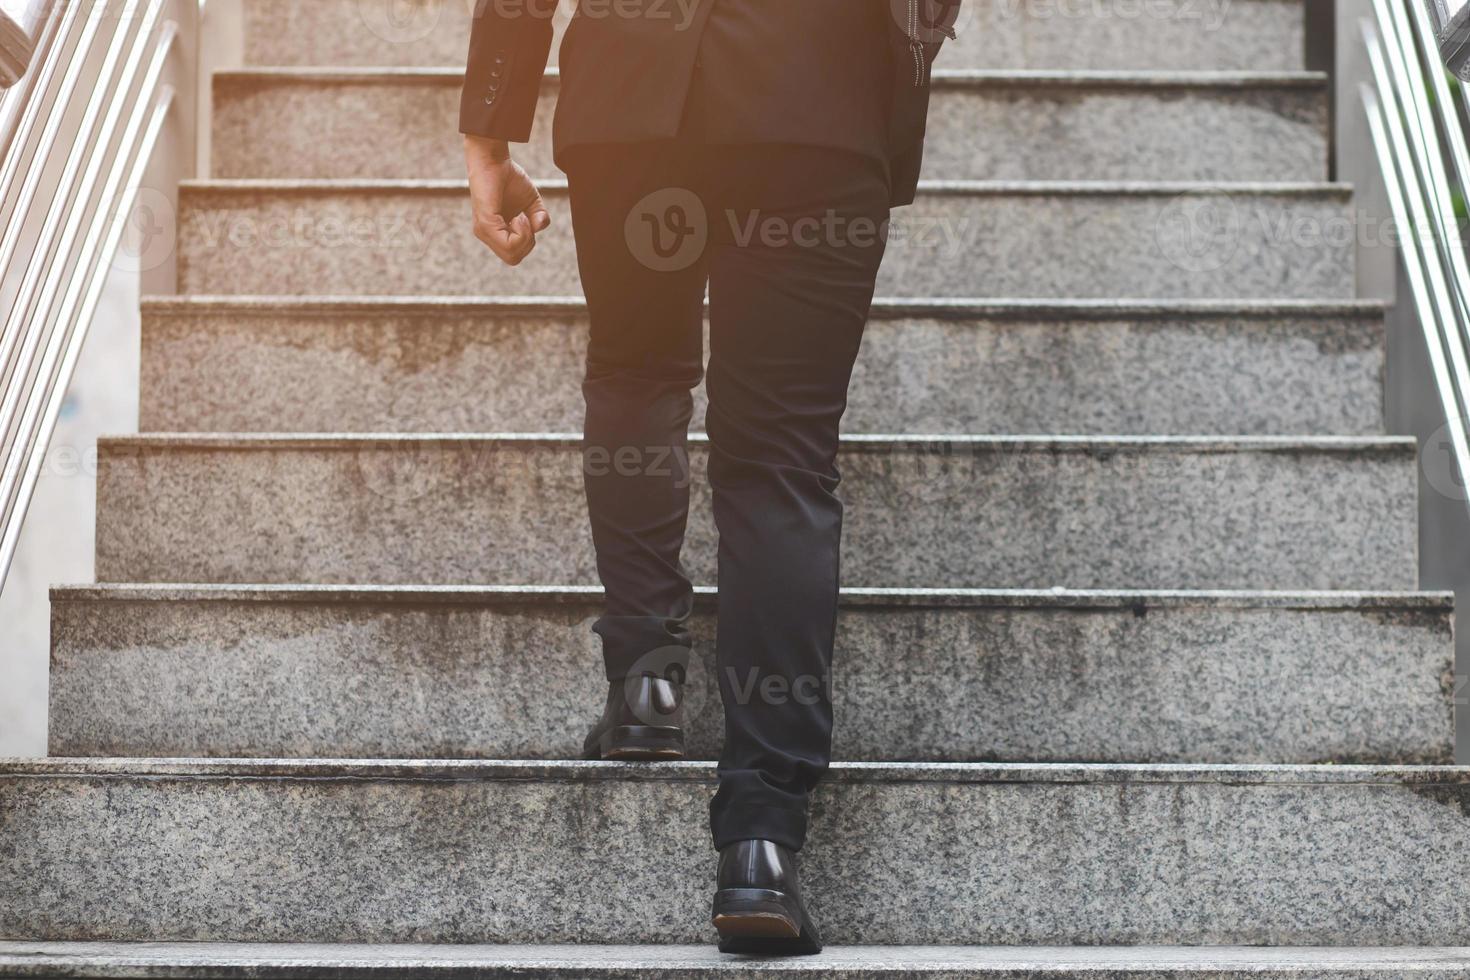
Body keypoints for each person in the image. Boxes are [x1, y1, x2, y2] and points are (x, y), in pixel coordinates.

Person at [460, 0, 958, 955]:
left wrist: (491, 129)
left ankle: (646, 680)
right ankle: (760, 842)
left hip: (633, 101)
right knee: (778, 461)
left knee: (637, 376)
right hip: (818, 104)